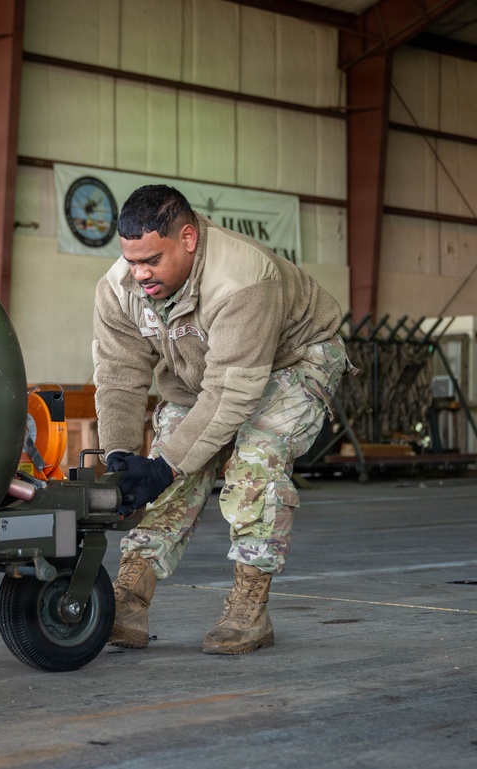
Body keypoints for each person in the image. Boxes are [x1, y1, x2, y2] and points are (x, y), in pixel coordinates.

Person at [92, 184, 352, 655]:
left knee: (256, 456)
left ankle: (248, 606)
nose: (140, 273)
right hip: (203, 375)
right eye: (132, 260)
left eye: (152, 259)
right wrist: (120, 455)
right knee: (163, 467)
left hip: (293, 360)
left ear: (188, 237)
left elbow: (233, 392)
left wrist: (167, 465)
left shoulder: (244, 278)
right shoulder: (119, 289)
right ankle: (129, 598)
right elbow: (118, 376)